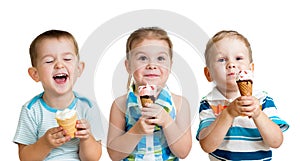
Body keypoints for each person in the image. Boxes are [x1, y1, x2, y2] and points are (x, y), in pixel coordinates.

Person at [196, 30, 289, 160]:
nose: (231, 64)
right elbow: (207, 145)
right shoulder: (209, 103)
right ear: (208, 74)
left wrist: (258, 114)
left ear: (251, 69)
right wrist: (228, 114)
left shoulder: (262, 100)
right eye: (222, 60)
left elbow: (276, 142)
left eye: (238, 58)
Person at [13, 29, 103, 161]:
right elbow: (25, 158)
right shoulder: (31, 110)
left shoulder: (87, 107)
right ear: (35, 74)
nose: (59, 64)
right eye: (49, 61)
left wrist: (86, 138)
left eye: (67, 59)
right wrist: (45, 144)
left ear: (79, 69)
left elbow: (92, 158)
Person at [107, 27, 192, 161]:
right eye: (142, 58)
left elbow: (183, 152)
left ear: (170, 65)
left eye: (160, 58)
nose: (152, 65)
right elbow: (114, 154)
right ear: (128, 65)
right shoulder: (121, 105)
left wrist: (167, 121)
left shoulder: (179, 103)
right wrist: (137, 131)